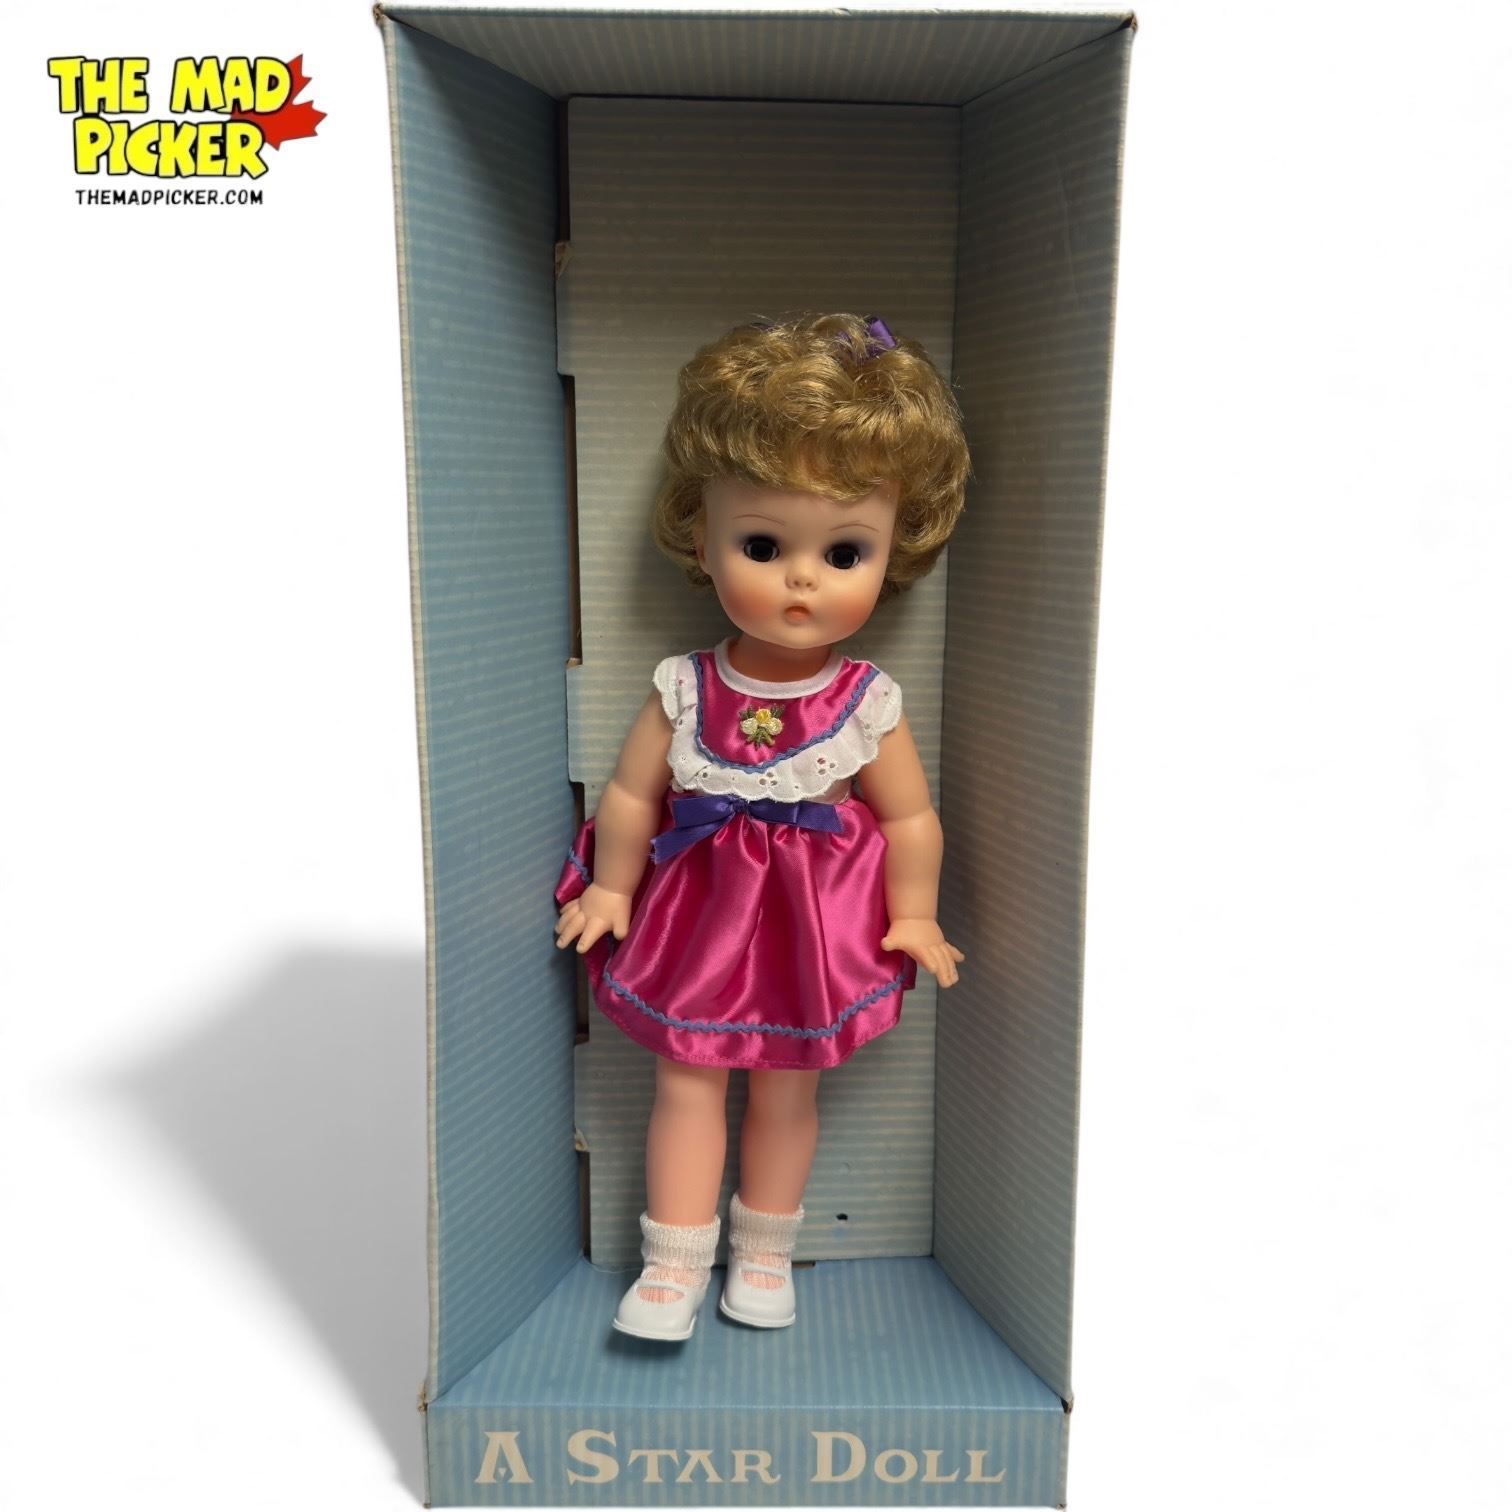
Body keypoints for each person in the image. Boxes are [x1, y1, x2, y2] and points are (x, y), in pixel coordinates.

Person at [553, 312, 970, 1340]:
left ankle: (766, 1252)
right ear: (702, 539)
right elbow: (632, 796)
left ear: (895, 552)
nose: (801, 579)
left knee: (788, 1089)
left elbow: (910, 816)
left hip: (813, 926)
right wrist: (610, 885)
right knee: (686, 1080)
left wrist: (915, 913)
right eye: (762, 545)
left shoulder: (863, 701)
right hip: (700, 915)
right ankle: (671, 1263)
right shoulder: (687, 687)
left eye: (845, 551)